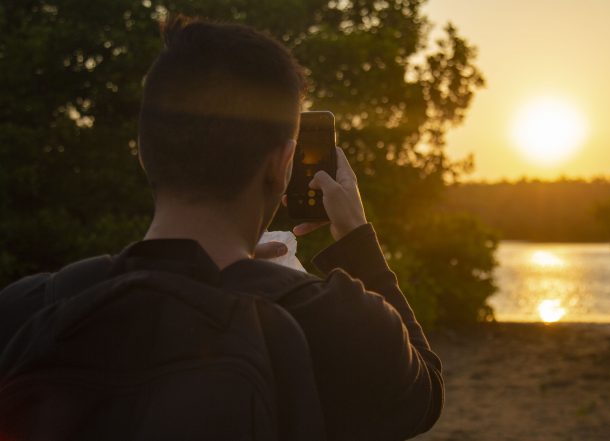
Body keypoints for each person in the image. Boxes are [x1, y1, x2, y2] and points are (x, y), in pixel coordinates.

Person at [0, 15, 443, 440]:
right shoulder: (335, 322)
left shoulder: (26, 310)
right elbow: (425, 396)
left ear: (144, 152)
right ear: (282, 166)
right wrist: (356, 238)